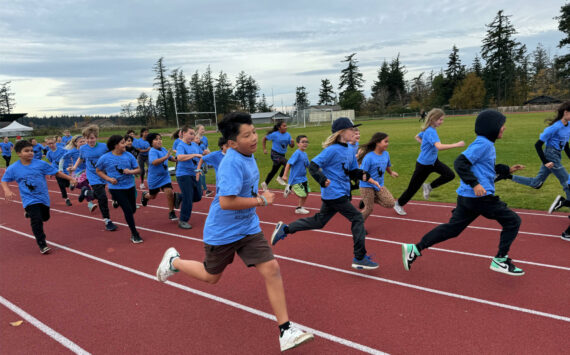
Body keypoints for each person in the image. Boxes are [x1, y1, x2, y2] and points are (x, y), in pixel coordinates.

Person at [155, 112, 314, 352]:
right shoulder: (232, 162)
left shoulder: (247, 155)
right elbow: (227, 202)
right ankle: (174, 261)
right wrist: (261, 201)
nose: (253, 138)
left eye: (254, 132)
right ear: (231, 143)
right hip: (222, 232)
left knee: (272, 268)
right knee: (211, 277)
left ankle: (285, 330)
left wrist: (256, 199)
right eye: (247, 135)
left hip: (248, 227)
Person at [401, 110, 526, 276]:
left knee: (453, 229)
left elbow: (485, 169)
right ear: (492, 127)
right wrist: (474, 184)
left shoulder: (485, 143)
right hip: (479, 197)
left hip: (468, 197)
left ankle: (415, 248)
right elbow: (460, 162)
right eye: (501, 125)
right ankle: (501, 260)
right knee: (513, 221)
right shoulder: (483, 144)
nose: (503, 128)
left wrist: (507, 170)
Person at [271, 117, 380, 270]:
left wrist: (365, 176)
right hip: (334, 192)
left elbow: (353, 171)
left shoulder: (350, 149)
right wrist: (323, 180)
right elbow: (313, 166)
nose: (354, 131)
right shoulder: (331, 150)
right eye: (351, 129)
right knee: (357, 218)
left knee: (319, 221)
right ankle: (359, 257)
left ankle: (286, 229)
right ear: (342, 132)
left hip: (340, 192)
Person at [1, 140, 76, 254]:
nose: (30, 153)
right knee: (36, 221)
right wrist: (7, 190)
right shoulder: (14, 168)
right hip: (29, 200)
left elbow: (56, 172)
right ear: (19, 153)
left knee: (45, 217)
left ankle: (29, 213)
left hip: (43, 198)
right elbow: (4, 180)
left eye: (31, 150)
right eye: (27, 151)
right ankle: (42, 244)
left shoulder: (40, 164)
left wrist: (70, 178)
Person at [394, 108, 465, 215]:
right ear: (432, 119)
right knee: (413, 188)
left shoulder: (429, 130)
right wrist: (457, 144)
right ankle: (398, 204)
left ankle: (429, 186)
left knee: (449, 175)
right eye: (440, 119)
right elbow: (439, 147)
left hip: (434, 162)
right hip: (423, 165)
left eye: (442, 119)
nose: (442, 122)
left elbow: (417, 137)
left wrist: (425, 145)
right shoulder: (431, 131)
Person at [508, 101, 570, 199]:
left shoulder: (569, 125)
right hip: (550, 155)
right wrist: (545, 161)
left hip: (557, 155)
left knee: (537, 183)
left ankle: (506, 176)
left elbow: (565, 144)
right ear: (566, 112)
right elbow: (538, 145)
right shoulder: (554, 128)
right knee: (567, 182)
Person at [96, 135, 143, 243]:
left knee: (132, 209)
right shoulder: (105, 158)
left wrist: (130, 172)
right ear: (115, 145)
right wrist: (108, 179)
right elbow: (98, 170)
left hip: (130, 186)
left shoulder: (129, 156)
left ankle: (116, 201)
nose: (125, 144)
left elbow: (138, 170)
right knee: (127, 210)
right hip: (116, 188)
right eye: (122, 143)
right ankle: (134, 233)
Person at [72, 124, 118, 231]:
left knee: (98, 194)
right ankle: (107, 221)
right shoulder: (83, 148)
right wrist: (74, 167)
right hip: (92, 175)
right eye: (87, 138)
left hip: (103, 174)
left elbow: (111, 155)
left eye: (91, 138)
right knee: (102, 198)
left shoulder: (104, 147)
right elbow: (81, 158)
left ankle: (86, 192)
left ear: (96, 137)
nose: (89, 140)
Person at [357, 132, 399, 222]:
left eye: (388, 141)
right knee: (369, 209)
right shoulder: (368, 157)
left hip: (379, 184)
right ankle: (357, 223)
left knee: (390, 203)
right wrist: (373, 182)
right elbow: (363, 174)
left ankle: (367, 200)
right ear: (377, 142)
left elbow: (386, 165)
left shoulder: (386, 154)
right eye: (386, 141)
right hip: (366, 185)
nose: (388, 144)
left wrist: (391, 172)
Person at [140, 133, 181, 221]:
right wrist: (165, 157)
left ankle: (171, 212)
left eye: (160, 139)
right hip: (154, 178)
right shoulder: (152, 151)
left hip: (165, 176)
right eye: (156, 139)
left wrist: (179, 158)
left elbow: (171, 158)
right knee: (153, 196)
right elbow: (154, 162)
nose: (159, 141)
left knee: (169, 193)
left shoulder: (164, 149)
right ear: (151, 143)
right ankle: (145, 195)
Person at [175, 126, 203, 229]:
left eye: (193, 134)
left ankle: (180, 196)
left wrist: (199, 168)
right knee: (188, 197)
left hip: (195, 173)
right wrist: (194, 154)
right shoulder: (181, 145)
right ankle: (183, 220)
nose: (193, 136)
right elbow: (180, 157)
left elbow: (201, 156)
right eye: (190, 133)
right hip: (183, 174)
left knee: (198, 196)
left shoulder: (195, 145)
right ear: (183, 133)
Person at [62, 135, 98, 212]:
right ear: (76, 143)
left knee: (94, 186)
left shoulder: (88, 149)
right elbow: (63, 159)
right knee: (85, 186)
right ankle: (90, 204)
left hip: (89, 170)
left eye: (84, 141)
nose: (83, 143)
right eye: (80, 142)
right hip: (79, 171)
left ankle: (82, 193)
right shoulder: (72, 151)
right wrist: (62, 169)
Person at [282, 135, 311, 214]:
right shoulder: (297, 153)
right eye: (303, 142)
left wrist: (317, 169)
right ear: (298, 144)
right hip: (296, 179)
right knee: (303, 194)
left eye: (306, 142)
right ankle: (291, 188)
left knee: (307, 192)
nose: (305, 144)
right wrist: (284, 175)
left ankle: (299, 208)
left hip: (303, 178)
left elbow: (308, 165)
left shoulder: (305, 154)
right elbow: (288, 164)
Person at [262, 119, 294, 190]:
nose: (286, 127)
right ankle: (280, 177)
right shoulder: (274, 134)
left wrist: (292, 143)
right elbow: (264, 139)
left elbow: (291, 146)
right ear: (279, 127)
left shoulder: (288, 135)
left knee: (274, 170)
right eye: (284, 126)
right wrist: (264, 149)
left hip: (282, 155)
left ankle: (265, 183)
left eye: (286, 126)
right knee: (288, 163)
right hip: (275, 154)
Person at [45, 137, 72, 206]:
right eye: (49, 144)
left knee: (67, 183)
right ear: (47, 144)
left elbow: (69, 156)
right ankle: (66, 199)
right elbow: (51, 162)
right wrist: (51, 172)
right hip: (56, 170)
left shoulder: (62, 149)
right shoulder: (49, 153)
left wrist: (71, 165)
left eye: (52, 143)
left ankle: (70, 185)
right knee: (61, 185)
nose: (51, 145)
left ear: (55, 143)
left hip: (65, 169)